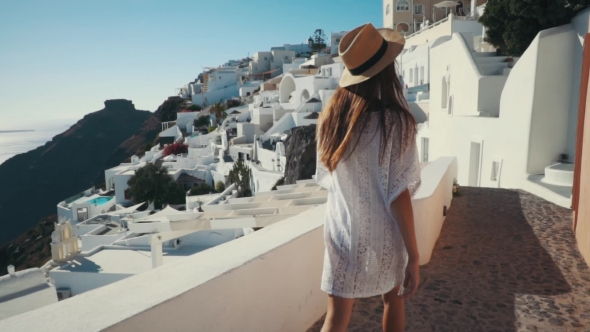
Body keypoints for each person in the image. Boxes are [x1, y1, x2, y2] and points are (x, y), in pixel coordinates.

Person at [315, 23, 422, 332]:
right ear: (386, 69)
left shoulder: (331, 120)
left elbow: (329, 180)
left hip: (340, 231)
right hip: (384, 235)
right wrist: (414, 257)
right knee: (394, 300)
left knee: (335, 317)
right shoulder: (396, 123)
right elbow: (398, 194)